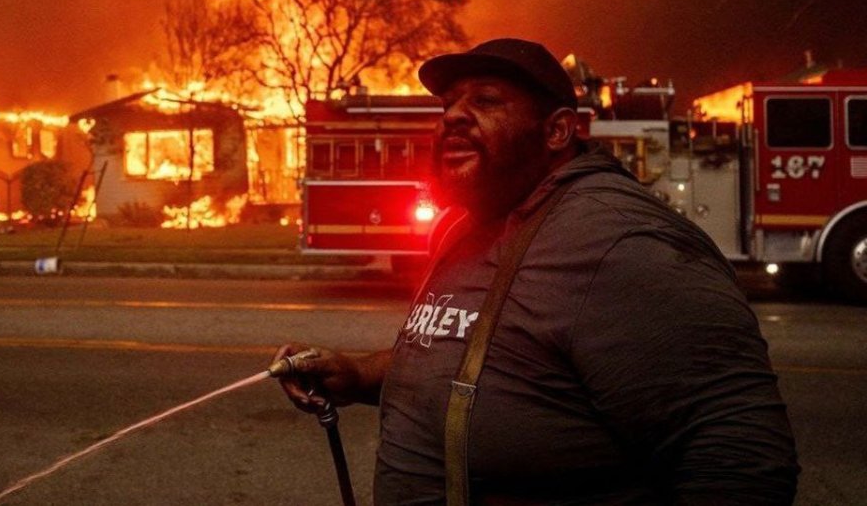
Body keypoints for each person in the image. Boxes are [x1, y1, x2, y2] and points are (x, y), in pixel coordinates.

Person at [274, 38, 799, 504]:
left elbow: (741, 460)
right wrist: (358, 373)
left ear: (557, 131)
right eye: (448, 103)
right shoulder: (471, 226)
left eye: (485, 101)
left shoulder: (619, 241)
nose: (453, 116)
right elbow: (473, 355)